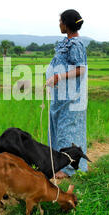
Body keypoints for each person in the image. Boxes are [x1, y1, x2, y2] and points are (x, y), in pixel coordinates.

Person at [45, 9, 88, 179]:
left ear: (65, 23)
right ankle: (59, 163)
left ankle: (70, 168)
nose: (59, 24)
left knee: (67, 131)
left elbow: (81, 69)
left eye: (60, 21)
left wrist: (58, 76)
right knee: (57, 130)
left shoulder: (76, 44)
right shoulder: (66, 42)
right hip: (60, 96)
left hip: (71, 98)